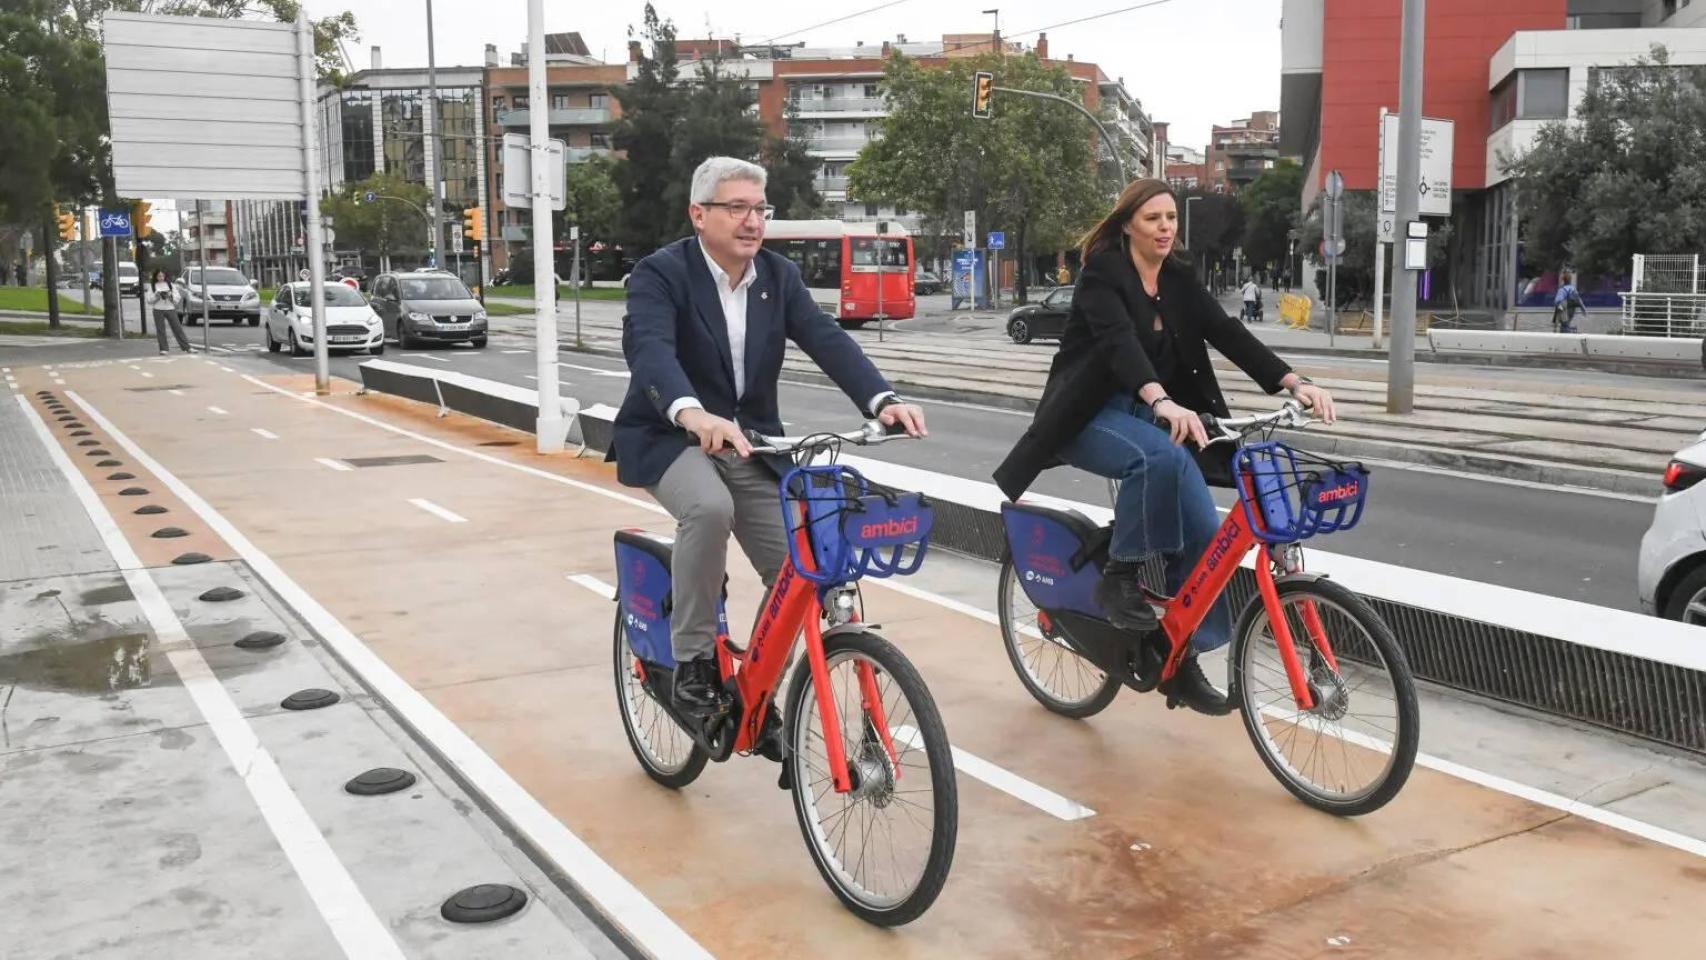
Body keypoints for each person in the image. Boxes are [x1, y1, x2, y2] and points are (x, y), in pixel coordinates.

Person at [993, 178, 1336, 714]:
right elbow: (1118, 345)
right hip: (1089, 413)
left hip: (1151, 411)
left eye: (1171, 218)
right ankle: (1119, 576)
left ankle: (1181, 660)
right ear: (1128, 223)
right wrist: (1161, 401)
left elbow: (1228, 333)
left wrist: (1294, 382)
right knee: (1157, 457)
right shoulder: (1103, 274)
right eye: (1153, 218)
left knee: (1207, 541)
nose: (1165, 227)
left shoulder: (1177, 278)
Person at [613, 156, 927, 717]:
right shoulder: (660, 274)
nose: (752, 221)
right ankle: (693, 665)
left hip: (749, 441)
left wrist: (884, 401)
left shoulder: (778, 277)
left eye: (760, 209)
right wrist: (692, 413)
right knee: (709, 509)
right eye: (736, 208)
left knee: (799, 567)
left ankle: (754, 689)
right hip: (669, 435)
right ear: (699, 215)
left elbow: (828, 340)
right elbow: (652, 353)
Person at [147, 269, 192, 354]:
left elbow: (177, 298)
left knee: (177, 328)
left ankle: (187, 347)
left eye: (162, 276)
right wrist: (156, 296)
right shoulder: (153, 286)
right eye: (159, 276)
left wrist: (170, 296)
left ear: (165, 276)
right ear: (156, 277)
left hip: (170, 308)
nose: (161, 278)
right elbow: (149, 300)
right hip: (158, 309)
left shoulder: (170, 285)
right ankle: (163, 349)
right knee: (161, 330)